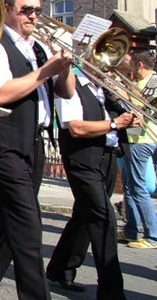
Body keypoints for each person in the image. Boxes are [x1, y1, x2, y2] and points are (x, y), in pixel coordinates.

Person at [0, 0, 76, 300]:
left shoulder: (38, 47)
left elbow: (65, 92)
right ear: (8, 9)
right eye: (27, 10)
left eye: (38, 10)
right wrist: (45, 71)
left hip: (33, 141)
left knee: (7, 225)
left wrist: (64, 66)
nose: (34, 16)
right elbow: (0, 94)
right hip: (2, 140)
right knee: (27, 228)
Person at [45, 69, 140, 298]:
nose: (109, 71)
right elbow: (76, 128)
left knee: (84, 217)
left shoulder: (104, 91)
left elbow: (130, 122)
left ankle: (60, 268)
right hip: (82, 159)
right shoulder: (71, 84)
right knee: (104, 218)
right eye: (105, 66)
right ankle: (111, 291)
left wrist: (122, 102)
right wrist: (116, 124)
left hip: (107, 157)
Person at [121, 51, 157, 249]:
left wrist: (129, 93)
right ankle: (131, 230)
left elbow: (148, 108)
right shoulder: (138, 82)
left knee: (139, 188)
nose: (129, 68)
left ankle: (153, 236)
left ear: (140, 64)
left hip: (143, 140)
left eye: (132, 64)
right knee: (128, 186)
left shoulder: (153, 82)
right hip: (131, 138)